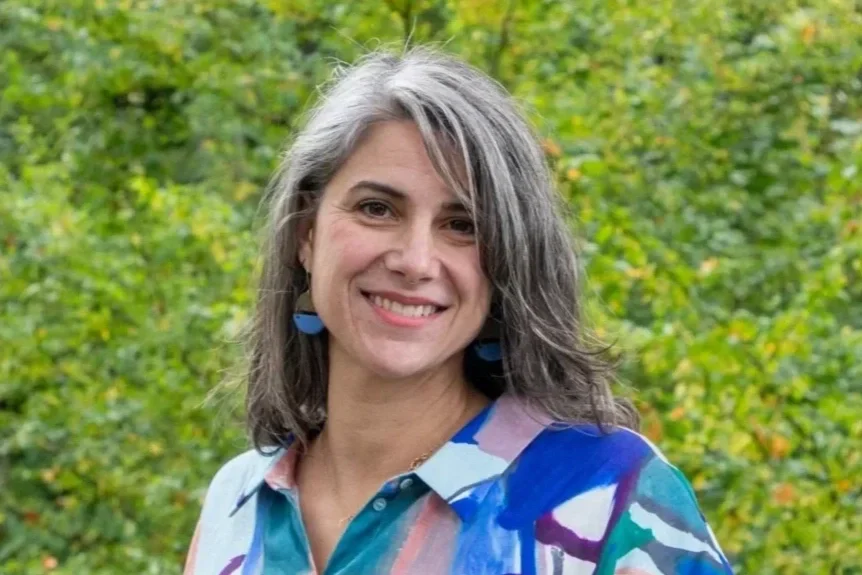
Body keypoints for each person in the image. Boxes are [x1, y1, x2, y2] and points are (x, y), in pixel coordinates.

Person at [183, 47, 733, 575]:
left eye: (462, 225)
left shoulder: (609, 497)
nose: (415, 261)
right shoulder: (238, 503)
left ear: (510, 260)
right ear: (306, 233)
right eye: (377, 209)